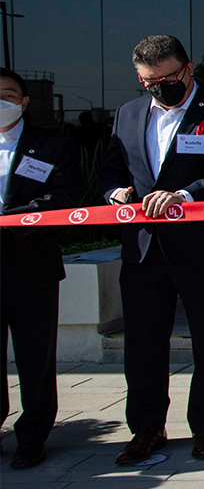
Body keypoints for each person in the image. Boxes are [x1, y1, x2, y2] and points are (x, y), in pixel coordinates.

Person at [99, 35, 204, 464]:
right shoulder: (128, 114)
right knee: (143, 345)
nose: (159, 86)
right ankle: (147, 429)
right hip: (143, 250)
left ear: (187, 69)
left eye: (167, 78)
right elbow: (110, 168)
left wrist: (184, 195)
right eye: (149, 81)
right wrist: (115, 193)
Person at [0, 69, 81, 469]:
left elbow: (64, 196)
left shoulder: (51, 145)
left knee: (35, 357)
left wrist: (12, 220)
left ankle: (32, 437)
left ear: (24, 101)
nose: (1, 100)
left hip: (30, 265)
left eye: (8, 94)